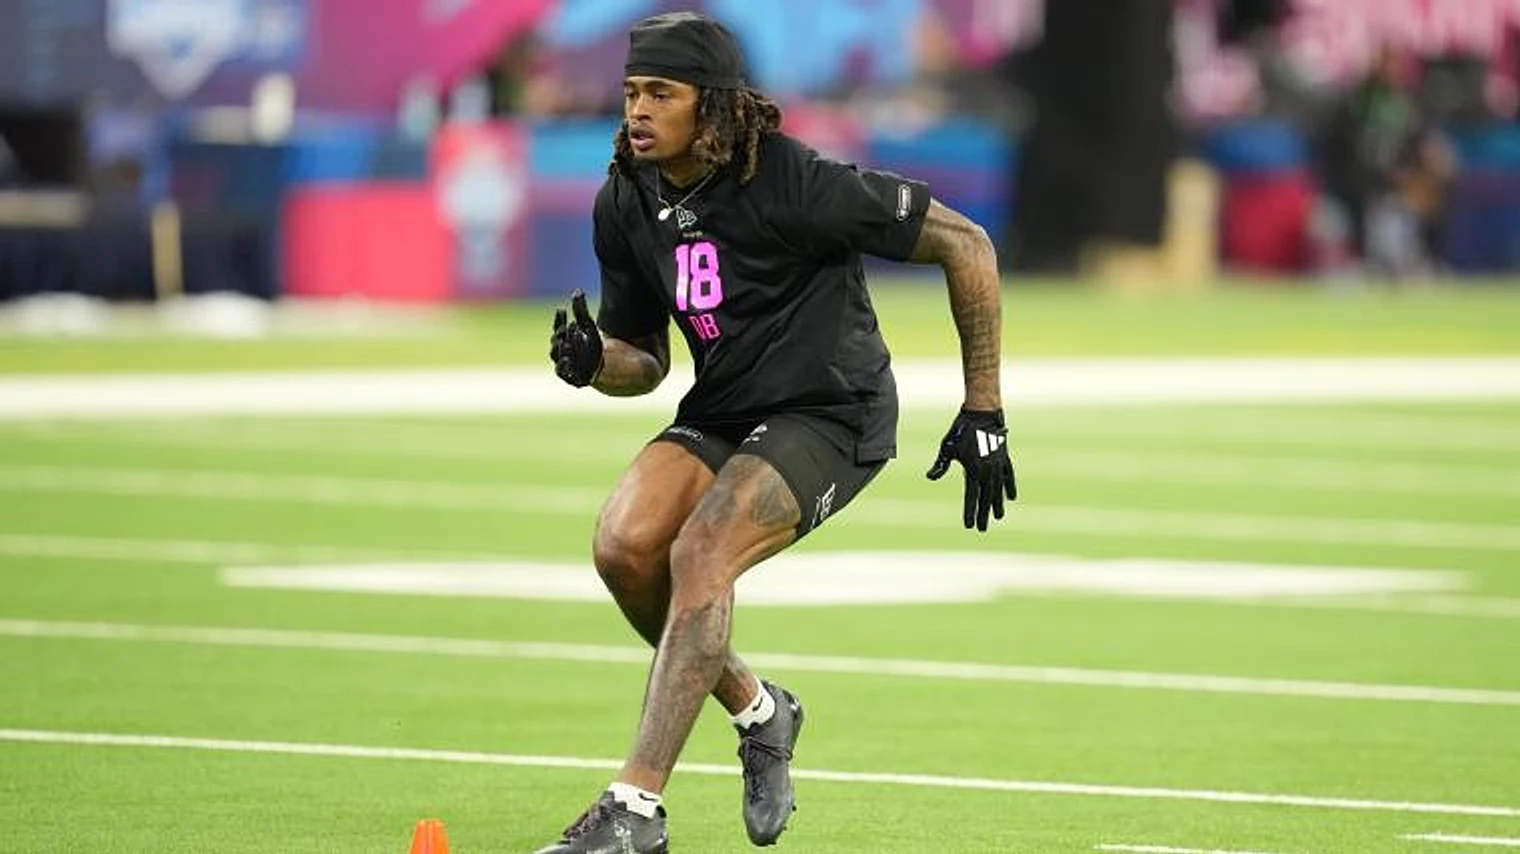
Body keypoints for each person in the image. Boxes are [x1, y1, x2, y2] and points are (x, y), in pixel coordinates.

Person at [539, 11, 1016, 853]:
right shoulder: (627, 196)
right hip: (725, 407)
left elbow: (967, 244)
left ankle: (634, 810)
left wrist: (984, 409)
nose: (638, 109)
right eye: (631, 91)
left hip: (831, 410)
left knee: (701, 551)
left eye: (661, 93)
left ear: (714, 104)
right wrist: (592, 361)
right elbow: (644, 360)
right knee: (624, 547)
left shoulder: (794, 180)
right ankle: (762, 711)